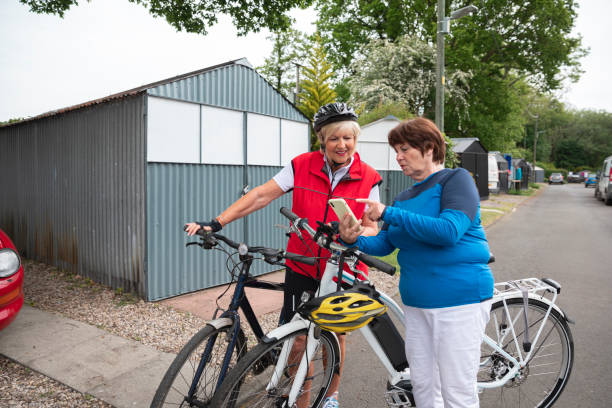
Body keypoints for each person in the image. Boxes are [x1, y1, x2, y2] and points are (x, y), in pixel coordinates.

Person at [185, 102, 382, 408]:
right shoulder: (301, 165)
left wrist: (357, 233)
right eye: (334, 138)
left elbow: (373, 229)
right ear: (322, 140)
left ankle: (330, 397)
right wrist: (218, 221)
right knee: (296, 341)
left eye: (348, 138)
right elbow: (262, 194)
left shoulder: (368, 176)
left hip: (342, 268)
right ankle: (299, 402)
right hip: (302, 264)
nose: (342, 145)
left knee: (335, 336)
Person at [338, 117, 493, 408]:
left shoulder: (456, 180)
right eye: (396, 150)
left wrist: (387, 213)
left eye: (405, 149)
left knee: (457, 389)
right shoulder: (404, 197)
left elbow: (448, 232)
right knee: (423, 384)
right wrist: (352, 239)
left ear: (430, 148)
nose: (398, 156)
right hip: (417, 304)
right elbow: (384, 245)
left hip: (459, 299)